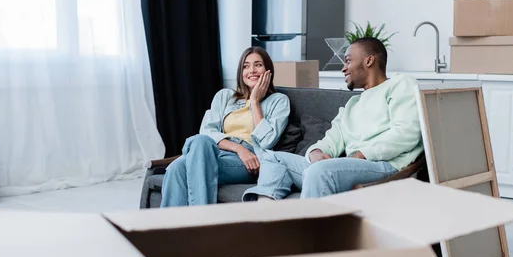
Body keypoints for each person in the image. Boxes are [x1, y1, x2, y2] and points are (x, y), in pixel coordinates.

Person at [242, 37, 423, 201]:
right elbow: (331, 139)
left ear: (369, 60)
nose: (343, 68)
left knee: (319, 172)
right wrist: (316, 152)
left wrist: (360, 155)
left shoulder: (400, 84)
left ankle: (307, 237)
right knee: (274, 158)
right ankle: (266, 221)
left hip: (386, 166)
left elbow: (406, 133)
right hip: (350, 167)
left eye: (348, 60)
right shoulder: (352, 104)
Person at [160, 47, 290, 207]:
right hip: (216, 151)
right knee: (199, 142)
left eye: (258, 65)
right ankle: (174, 229)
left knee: (177, 169)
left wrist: (255, 101)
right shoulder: (225, 97)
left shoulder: (279, 101)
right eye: (246, 66)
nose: (252, 70)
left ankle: (201, 224)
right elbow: (207, 131)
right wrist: (238, 149)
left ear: (268, 70)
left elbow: (266, 142)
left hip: (249, 160)